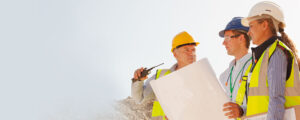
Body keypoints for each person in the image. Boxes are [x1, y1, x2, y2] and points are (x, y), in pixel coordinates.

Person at [235, 1, 300, 120]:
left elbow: (276, 100)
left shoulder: (277, 54)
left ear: (264, 25)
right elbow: (260, 105)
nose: (248, 32)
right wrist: (241, 111)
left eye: (251, 26)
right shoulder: (260, 59)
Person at [131, 31, 199, 120]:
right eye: (186, 50)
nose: (191, 53)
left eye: (193, 50)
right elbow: (139, 100)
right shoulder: (162, 76)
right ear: (175, 54)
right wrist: (138, 81)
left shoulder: (201, 79)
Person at [218, 17, 252, 119]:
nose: (223, 43)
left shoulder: (258, 66)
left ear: (241, 38)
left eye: (228, 37)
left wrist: (243, 111)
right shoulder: (224, 76)